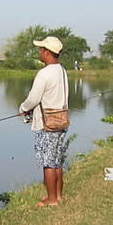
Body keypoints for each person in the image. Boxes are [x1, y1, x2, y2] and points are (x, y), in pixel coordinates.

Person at [19, 36, 69, 206]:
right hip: (61, 120)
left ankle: (52, 199)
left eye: (41, 49)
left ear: (47, 52)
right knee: (56, 161)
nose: (39, 52)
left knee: (48, 163)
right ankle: (58, 195)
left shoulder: (44, 74)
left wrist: (22, 109)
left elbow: (33, 99)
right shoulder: (61, 70)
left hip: (46, 124)